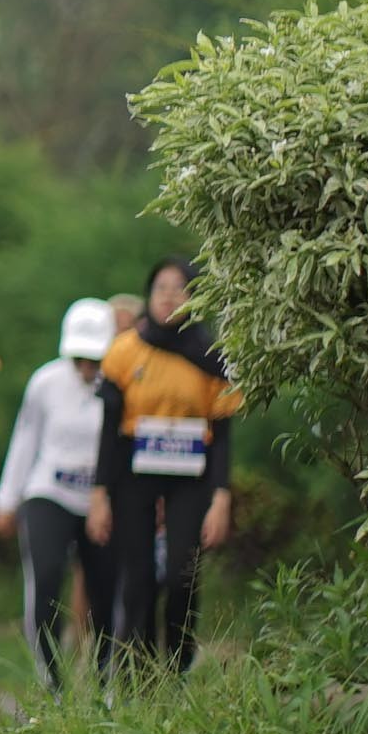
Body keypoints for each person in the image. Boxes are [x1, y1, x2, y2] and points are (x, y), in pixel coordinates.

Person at [89, 257, 236, 671]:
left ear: (194, 298)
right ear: (148, 296)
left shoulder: (213, 357)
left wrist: (221, 498)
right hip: (133, 475)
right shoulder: (124, 351)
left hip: (191, 478)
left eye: (179, 289)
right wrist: (99, 494)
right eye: (160, 288)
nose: (169, 297)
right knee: (136, 577)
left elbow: (223, 434)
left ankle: (177, 667)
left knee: (180, 574)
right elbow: (108, 431)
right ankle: (135, 674)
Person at [0, 298, 118, 691]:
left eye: (95, 358)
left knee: (104, 588)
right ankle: (51, 679)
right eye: (81, 357)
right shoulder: (46, 382)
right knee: (46, 576)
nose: (87, 366)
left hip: (99, 500)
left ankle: (104, 678)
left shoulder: (118, 386)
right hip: (49, 491)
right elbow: (25, 440)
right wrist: (6, 499)